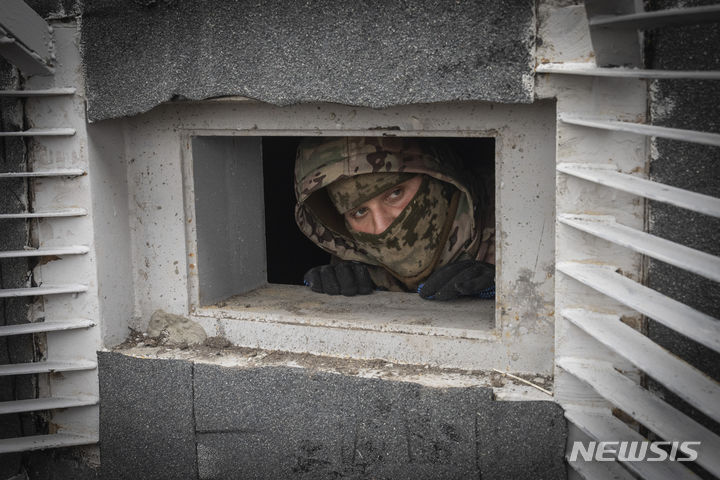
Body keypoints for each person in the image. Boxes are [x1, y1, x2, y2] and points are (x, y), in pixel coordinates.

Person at [294, 137, 495, 300]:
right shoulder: (354, 259)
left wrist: (505, 289)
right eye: (360, 212)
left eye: (395, 194)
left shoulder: (513, 222)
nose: (382, 227)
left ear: (438, 179)